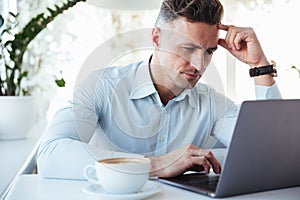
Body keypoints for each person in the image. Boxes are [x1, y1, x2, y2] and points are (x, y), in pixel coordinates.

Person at [37, 0, 281, 179]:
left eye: (209, 52)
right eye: (188, 49)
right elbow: (50, 154)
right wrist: (156, 165)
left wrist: (260, 67)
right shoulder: (102, 86)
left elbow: (272, 154)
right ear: (156, 38)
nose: (199, 65)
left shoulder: (214, 105)